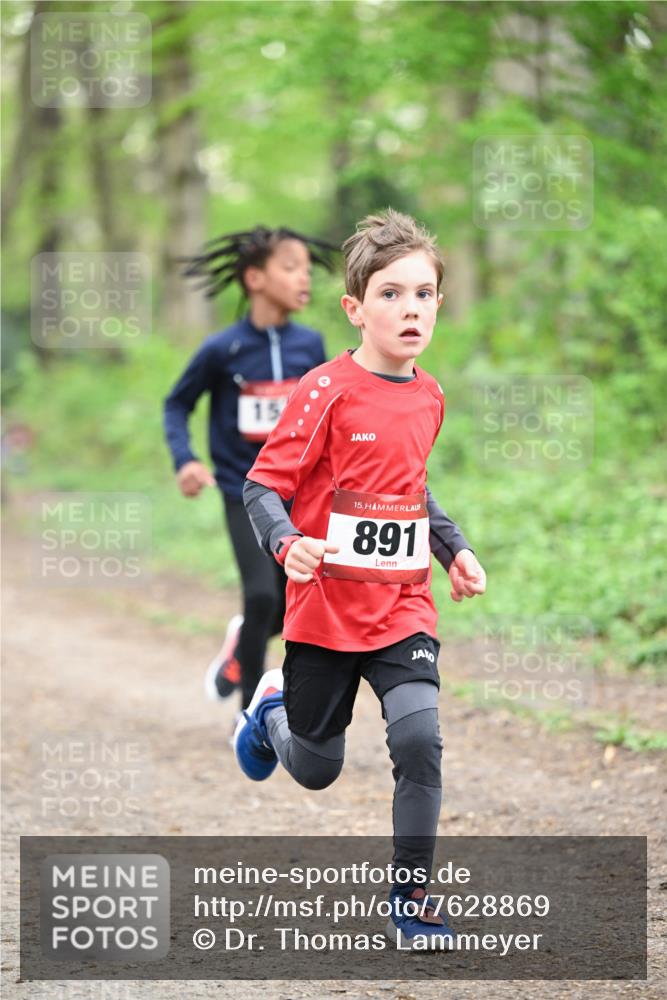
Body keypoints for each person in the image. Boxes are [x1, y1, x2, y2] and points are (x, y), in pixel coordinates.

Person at [235, 209, 487, 949]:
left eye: (423, 294)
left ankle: (411, 903)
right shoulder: (325, 390)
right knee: (316, 768)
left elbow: (412, 490)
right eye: (390, 294)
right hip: (325, 609)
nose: (410, 309)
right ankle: (270, 710)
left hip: (402, 606)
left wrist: (453, 550)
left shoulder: (430, 395)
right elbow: (262, 485)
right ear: (355, 308)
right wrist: (286, 543)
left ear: (439, 303)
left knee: (420, 741)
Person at [163, 226, 334, 714]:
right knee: (260, 596)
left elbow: (327, 414)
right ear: (255, 278)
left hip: (299, 494)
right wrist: (186, 459)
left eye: (307, 269)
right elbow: (177, 404)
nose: (304, 278)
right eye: (291, 268)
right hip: (243, 489)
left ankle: (242, 646)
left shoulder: (310, 345)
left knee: (292, 601)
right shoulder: (223, 349)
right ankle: (250, 720)